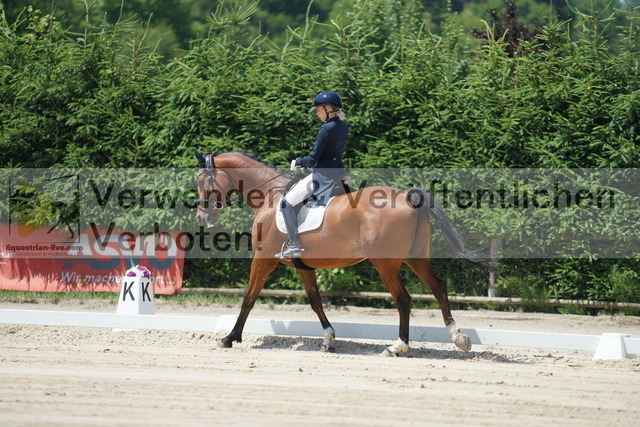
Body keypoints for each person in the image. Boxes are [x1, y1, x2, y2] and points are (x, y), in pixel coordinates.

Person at [275, 91, 349, 259]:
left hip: (323, 175)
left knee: (286, 203)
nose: (317, 113)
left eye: (318, 110)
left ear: (328, 109)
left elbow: (313, 159)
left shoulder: (326, 129)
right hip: (339, 173)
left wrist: (298, 162)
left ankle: (294, 245)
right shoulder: (343, 126)